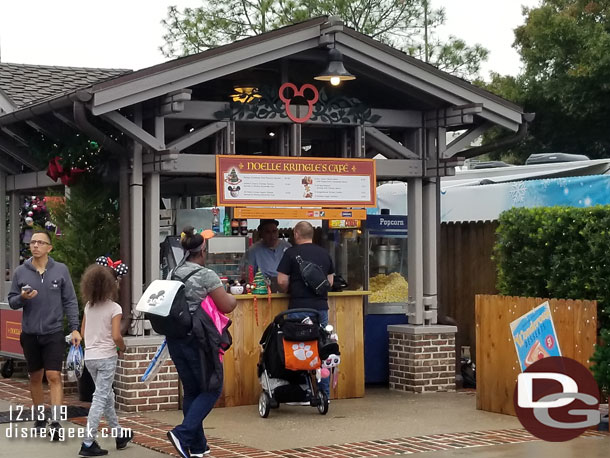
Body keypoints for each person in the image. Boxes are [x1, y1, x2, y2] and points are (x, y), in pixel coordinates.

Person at [166, 226, 237, 458]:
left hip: (176, 338)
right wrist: (233, 298)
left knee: (192, 391)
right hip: (199, 340)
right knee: (212, 387)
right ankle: (182, 434)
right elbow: (226, 305)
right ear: (202, 249)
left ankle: (198, 447)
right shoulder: (206, 275)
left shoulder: (173, 271)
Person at [8, 229, 81, 440]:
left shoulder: (61, 270)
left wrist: (74, 327)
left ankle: (56, 421)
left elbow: (70, 300)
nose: (35, 246)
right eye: (33, 242)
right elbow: (12, 301)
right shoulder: (21, 272)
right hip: (30, 333)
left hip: (53, 332)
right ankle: (40, 416)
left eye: (40, 242)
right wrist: (22, 297)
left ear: (50, 247)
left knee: (54, 376)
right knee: (36, 377)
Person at [79, 263, 132, 457]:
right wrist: (122, 348)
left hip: (90, 357)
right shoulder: (115, 308)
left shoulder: (88, 306)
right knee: (100, 398)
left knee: (106, 395)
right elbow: (117, 336)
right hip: (107, 356)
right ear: (111, 284)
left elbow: (84, 332)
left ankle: (119, 434)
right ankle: (88, 441)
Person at [276, 221, 334, 398]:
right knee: (322, 348)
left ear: (296, 234)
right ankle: (324, 393)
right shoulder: (324, 253)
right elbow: (329, 283)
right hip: (321, 309)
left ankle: (302, 389)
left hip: (298, 308)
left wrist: (288, 289)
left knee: (298, 347)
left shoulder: (290, 253)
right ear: (312, 234)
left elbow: (281, 281)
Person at [243, 219, 291, 289]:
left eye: (274, 231)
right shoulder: (253, 251)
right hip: (262, 290)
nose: (272, 236)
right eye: (268, 232)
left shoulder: (287, 247)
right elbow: (246, 274)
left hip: (285, 289)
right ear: (261, 234)